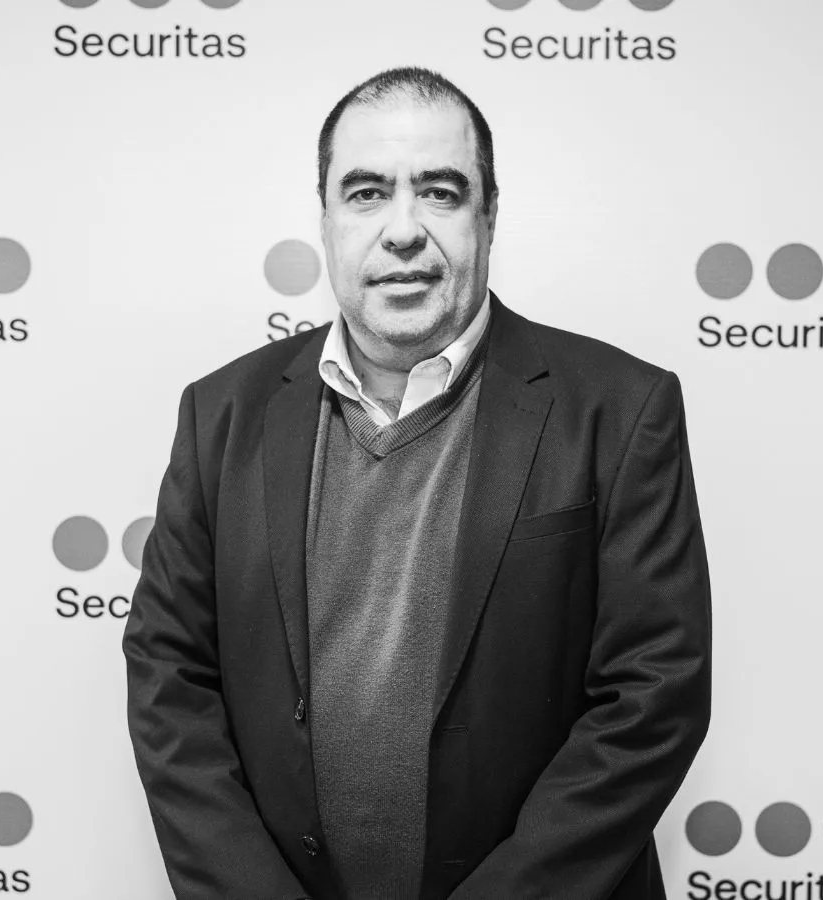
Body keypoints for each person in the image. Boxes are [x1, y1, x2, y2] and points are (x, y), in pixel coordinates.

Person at [123, 66, 712, 900]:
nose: (402, 230)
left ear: (489, 215)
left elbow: (655, 697)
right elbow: (169, 674)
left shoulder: (620, 409)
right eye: (366, 193)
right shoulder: (221, 413)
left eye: (439, 192)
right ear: (325, 220)